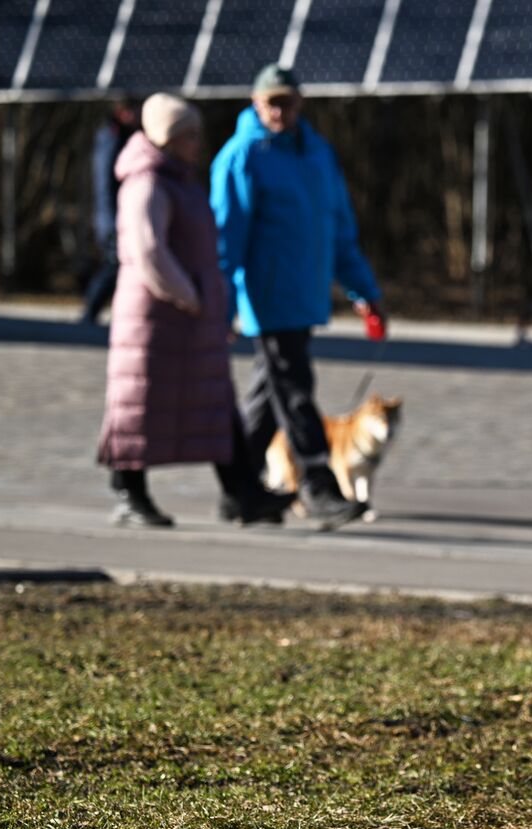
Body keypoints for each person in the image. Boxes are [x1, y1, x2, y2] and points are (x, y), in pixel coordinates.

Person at [96, 94, 294, 529]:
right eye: (188, 135)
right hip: (155, 318)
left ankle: (244, 492)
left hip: (188, 316)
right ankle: (129, 493)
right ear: (167, 137)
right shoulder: (146, 183)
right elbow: (148, 252)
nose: (196, 143)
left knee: (216, 404)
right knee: (139, 406)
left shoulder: (180, 180)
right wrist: (194, 298)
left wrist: (208, 305)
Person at [210, 65, 387, 530]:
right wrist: (223, 307)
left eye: (286, 101)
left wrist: (363, 291)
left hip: (304, 297)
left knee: (268, 395)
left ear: (299, 103)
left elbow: (339, 230)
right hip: (266, 299)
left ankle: (240, 490)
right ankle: (318, 485)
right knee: (295, 392)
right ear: (255, 101)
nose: (278, 111)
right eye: (271, 101)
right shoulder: (242, 157)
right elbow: (226, 242)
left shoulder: (317, 155)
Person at [81, 99, 140, 324]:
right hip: (113, 215)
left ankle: (92, 310)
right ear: (121, 111)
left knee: (113, 263)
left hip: (116, 214)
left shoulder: (119, 136)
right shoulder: (111, 138)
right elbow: (105, 183)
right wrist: (114, 217)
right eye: (133, 111)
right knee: (113, 263)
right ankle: (90, 310)